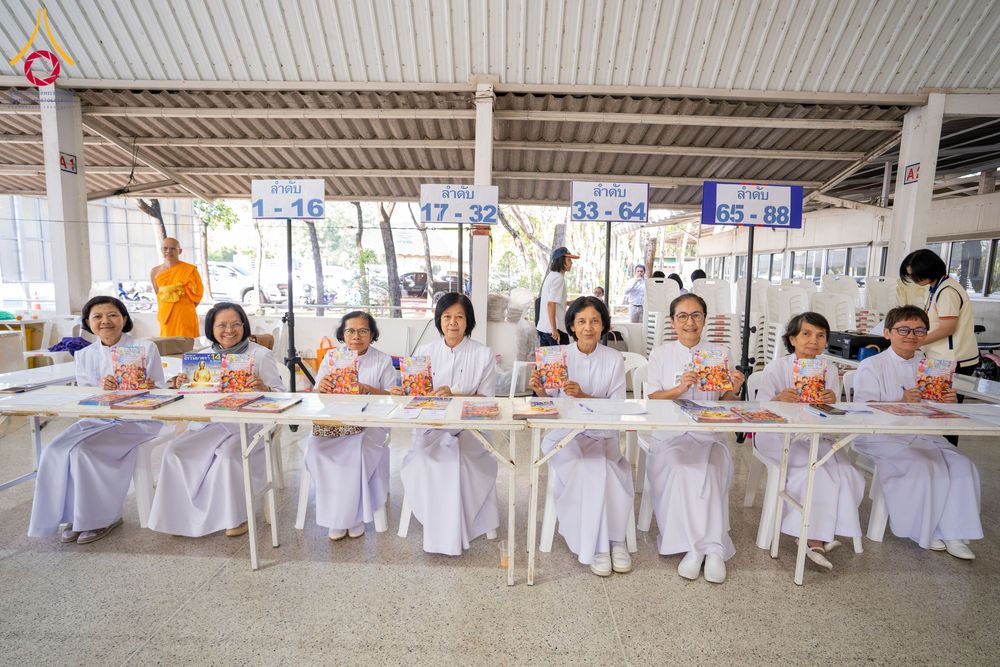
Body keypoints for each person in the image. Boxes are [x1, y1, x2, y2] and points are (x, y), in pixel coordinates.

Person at [28, 297, 165, 544]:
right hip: (98, 419)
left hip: (137, 420)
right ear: (88, 323)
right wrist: (103, 390)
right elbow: (85, 397)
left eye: (112, 315)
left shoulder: (145, 348)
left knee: (85, 452)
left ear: (124, 318)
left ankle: (102, 518)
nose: (105, 321)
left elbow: (163, 391)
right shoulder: (84, 354)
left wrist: (149, 386)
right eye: (97, 316)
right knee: (54, 450)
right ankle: (73, 517)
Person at [852, 305, 982, 560]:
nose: (911, 335)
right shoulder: (872, 365)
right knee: (924, 464)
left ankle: (955, 532)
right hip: (881, 435)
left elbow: (936, 412)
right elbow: (862, 409)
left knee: (962, 465)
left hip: (925, 434)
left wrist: (947, 401)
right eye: (903, 329)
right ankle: (922, 528)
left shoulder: (933, 367)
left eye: (918, 330)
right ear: (888, 333)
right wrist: (900, 400)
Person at [148, 302, 284, 537]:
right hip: (210, 424)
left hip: (249, 425)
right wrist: (181, 385)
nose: (229, 330)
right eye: (222, 325)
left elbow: (282, 395)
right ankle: (180, 516)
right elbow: (190, 399)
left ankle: (235, 517)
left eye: (235, 325)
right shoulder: (201, 357)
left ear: (244, 326)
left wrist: (265, 388)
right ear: (211, 328)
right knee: (175, 451)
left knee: (230, 456)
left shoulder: (260, 355)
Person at [530, 296, 632, 577]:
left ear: (603, 326)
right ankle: (600, 545)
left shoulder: (613, 359)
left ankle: (616, 540)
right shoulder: (559, 356)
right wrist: (539, 390)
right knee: (590, 468)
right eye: (582, 321)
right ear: (572, 327)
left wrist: (584, 395)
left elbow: (619, 406)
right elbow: (550, 402)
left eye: (595, 321)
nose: (588, 327)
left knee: (607, 469)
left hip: (603, 435)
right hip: (567, 436)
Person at [753, 312, 864, 570]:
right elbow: (759, 410)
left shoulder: (829, 370)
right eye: (806, 334)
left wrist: (830, 399)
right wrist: (778, 399)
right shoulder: (776, 368)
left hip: (817, 434)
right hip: (779, 436)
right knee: (817, 471)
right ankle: (813, 538)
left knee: (847, 471)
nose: (813, 340)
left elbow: (834, 414)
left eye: (820, 335)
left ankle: (830, 528)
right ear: (792, 339)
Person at [645, 294, 743, 583]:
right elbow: (651, 398)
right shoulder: (661, 354)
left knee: (710, 470)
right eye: (683, 316)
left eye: (696, 315)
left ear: (704, 319)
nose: (690, 322)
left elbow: (725, 400)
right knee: (682, 469)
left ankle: (710, 549)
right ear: (673, 321)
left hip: (709, 433)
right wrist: (678, 389)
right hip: (671, 434)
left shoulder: (720, 353)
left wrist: (734, 388)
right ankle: (695, 546)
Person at [394, 293, 498, 555]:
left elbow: (487, 401)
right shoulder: (424, 352)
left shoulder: (483, 355)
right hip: (431, 429)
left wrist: (457, 395)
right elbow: (415, 395)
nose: (453, 322)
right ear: (439, 320)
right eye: (447, 316)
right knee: (430, 459)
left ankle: (453, 529)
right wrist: (404, 392)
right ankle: (444, 529)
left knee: (456, 460)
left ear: (468, 321)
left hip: (470, 431)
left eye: (459, 317)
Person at [301, 311, 396, 540]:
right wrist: (320, 387)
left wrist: (368, 390)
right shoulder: (332, 357)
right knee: (316, 448)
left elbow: (394, 398)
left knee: (358, 450)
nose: (356, 336)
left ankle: (352, 517)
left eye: (363, 331)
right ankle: (337, 517)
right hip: (335, 423)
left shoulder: (382, 360)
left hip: (371, 424)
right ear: (342, 335)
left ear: (372, 334)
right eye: (350, 331)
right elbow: (317, 396)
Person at [151, 237, 204, 338]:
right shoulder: (154, 271)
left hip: (184, 313)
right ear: (161, 250)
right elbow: (158, 293)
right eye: (165, 248)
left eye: (173, 248)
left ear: (180, 251)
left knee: (186, 345)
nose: (168, 251)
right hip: (166, 314)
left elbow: (199, 293)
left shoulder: (190, 270)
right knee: (167, 345)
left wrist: (186, 307)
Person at [537, 247, 578, 346]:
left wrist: (569, 303)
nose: (571, 263)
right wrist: (554, 330)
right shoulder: (559, 278)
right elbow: (551, 304)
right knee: (560, 361)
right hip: (555, 330)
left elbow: (552, 301)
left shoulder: (551, 276)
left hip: (543, 328)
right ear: (561, 261)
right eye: (568, 260)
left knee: (546, 361)